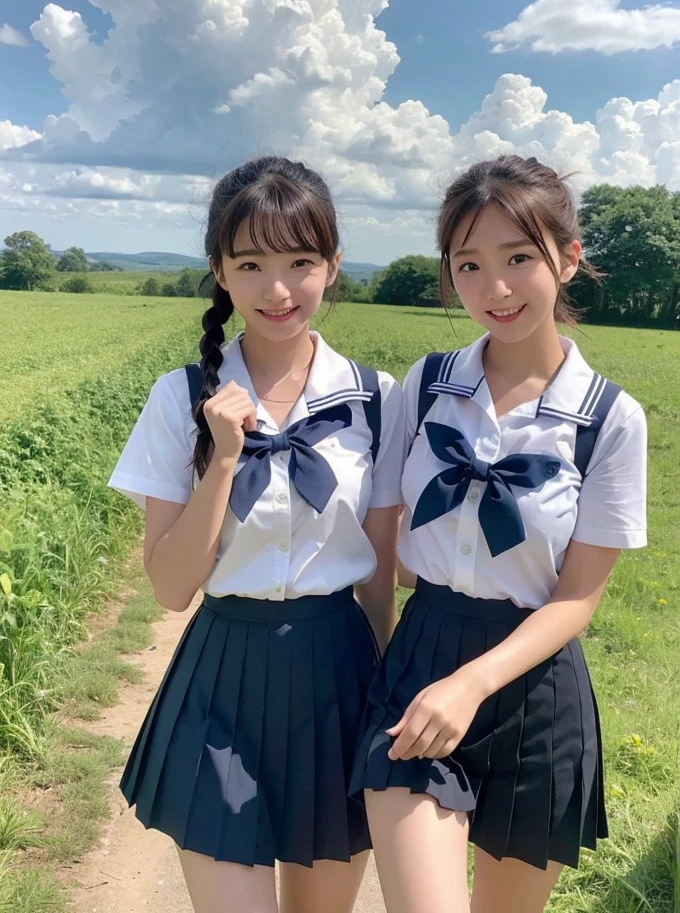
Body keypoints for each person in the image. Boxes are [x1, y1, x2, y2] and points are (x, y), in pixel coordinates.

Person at [349, 154, 647, 913]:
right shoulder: (427, 383)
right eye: (470, 265)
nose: (497, 289)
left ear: (569, 258)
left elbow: (578, 599)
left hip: (536, 691)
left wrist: (475, 682)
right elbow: (384, 546)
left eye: (520, 258)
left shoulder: (610, 419)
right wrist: (381, 661)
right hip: (420, 664)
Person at [107, 156, 406, 913]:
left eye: (301, 261)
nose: (278, 289)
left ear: (333, 266)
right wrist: (224, 461)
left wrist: (379, 695)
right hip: (220, 675)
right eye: (251, 263)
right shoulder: (179, 398)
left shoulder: (375, 400)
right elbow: (171, 589)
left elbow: (377, 576)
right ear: (220, 273)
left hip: (339, 673)